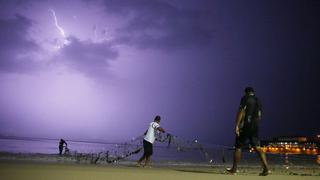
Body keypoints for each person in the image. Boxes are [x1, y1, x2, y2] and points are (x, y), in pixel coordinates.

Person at [227, 87, 269, 176]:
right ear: (253, 92)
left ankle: (234, 169)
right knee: (257, 147)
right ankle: (266, 168)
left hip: (245, 125)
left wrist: (237, 125)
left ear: (246, 92)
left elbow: (241, 111)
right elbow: (259, 115)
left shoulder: (245, 98)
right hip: (255, 126)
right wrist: (254, 125)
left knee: (238, 146)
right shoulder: (258, 100)